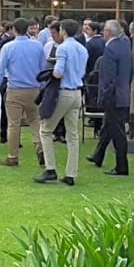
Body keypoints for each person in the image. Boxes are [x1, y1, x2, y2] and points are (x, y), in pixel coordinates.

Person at [35, 19, 87, 186]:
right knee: (72, 134)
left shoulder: (63, 48)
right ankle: (71, 173)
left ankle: (50, 169)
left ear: (63, 30)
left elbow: (58, 73)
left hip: (63, 92)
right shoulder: (82, 49)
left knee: (46, 129)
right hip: (77, 92)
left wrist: (51, 71)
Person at [0, 18, 47, 167]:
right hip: (34, 89)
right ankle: (40, 148)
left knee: (13, 124)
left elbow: (0, 71)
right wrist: (42, 87)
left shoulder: (8, 47)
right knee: (35, 120)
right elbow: (43, 69)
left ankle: (13, 156)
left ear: (14, 29)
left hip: (15, 89)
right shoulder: (38, 46)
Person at [90, 20, 132, 176]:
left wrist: (105, 95)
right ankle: (98, 155)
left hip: (113, 95)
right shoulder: (125, 47)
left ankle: (122, 166)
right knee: (109, 126)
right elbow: (130, 73)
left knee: (117, 131)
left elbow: (108, 77)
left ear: (108, 32)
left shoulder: (110, 49)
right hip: (122, 93)